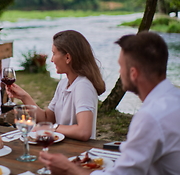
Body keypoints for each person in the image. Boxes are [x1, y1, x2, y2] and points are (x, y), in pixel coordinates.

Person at [39, 31, 180, 175]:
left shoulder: (149, 117)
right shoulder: (173, 99)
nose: (119, 71)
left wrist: (68, 168)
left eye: (121, 66)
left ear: (133, 73)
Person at [6, 30, 105, 141]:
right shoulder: (63, 84)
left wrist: (52, 128)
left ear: (68, 58)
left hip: (78, 152)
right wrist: (24, 97)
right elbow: (47, 119)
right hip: (62, 147)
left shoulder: (83, 86)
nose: (52, 60)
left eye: (54, 53)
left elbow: (83, 132)